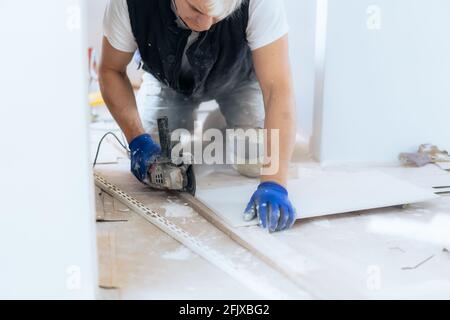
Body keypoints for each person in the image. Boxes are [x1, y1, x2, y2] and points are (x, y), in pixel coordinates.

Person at [99, 0, 297, 232]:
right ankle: (200, 124)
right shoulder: (131, 4)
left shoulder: (261, 3)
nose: (204, 24)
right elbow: (110, 70)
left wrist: (275, 183)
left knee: (255, 160)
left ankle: (222, 124)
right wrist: (137, 139)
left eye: (218, 16)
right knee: (162, 169)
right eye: (195, 9)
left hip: (238, 81)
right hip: (168, 83)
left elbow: (278, 90)